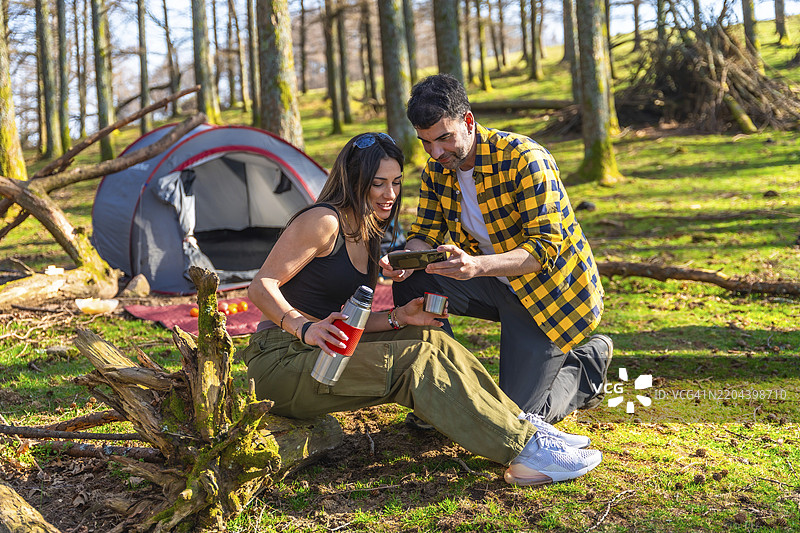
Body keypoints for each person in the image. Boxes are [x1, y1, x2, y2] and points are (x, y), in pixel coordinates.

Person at [241, 132, 603, 486]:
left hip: (323, 351)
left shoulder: (367, 229)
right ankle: (526, 451)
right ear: (354, 180)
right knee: (416, 361)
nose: (390, 194)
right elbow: (261, 285)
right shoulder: (324, 222)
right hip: (280, 361)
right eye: (378, 183)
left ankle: (522, 423)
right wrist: (304, 327)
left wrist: (398, 317)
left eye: (396, 182)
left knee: (432, 339)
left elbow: (345, 321)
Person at [383, 74, 613, 428]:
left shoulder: (524, 159)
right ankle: (445, 388)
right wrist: (405, 261)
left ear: (468, 121)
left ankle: (587, 367)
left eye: (444, 138)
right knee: (412, 283)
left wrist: (476, 265)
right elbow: (424, 235)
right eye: (426, 142)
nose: (435, 152)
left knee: (515, 420)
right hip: (491, 286)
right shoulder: (436, 171)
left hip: (548, 297)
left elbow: (543, 251)